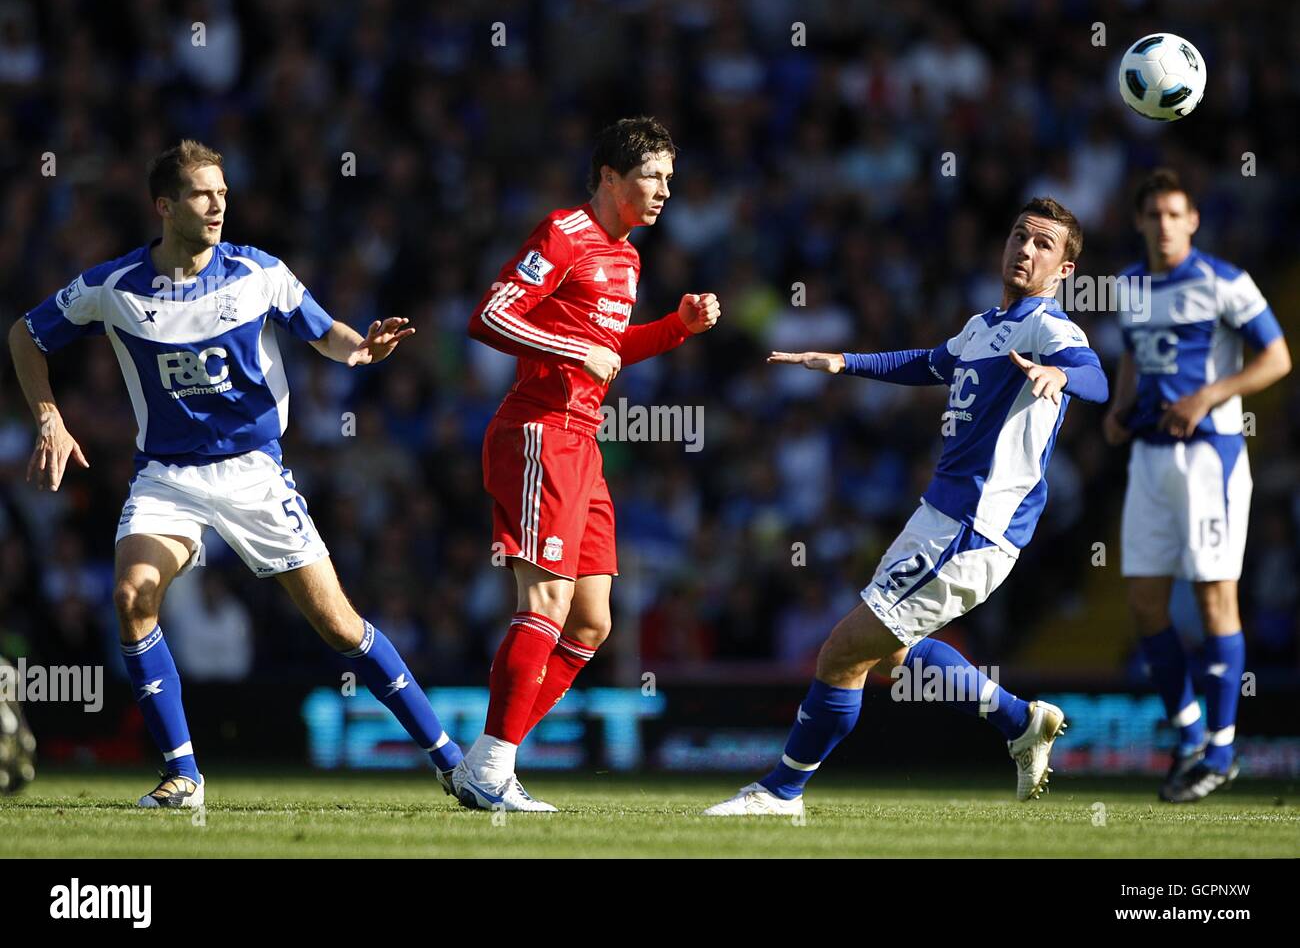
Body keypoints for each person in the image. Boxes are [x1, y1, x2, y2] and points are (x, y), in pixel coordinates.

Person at [8, 140, 463, 808]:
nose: (218, 203)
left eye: (222, 192)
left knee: (339, 627)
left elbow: (325, 332)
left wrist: (363, 346)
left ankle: (452, 763)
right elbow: (26, 333)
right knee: (133, 595)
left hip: (254, 474)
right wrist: (49, 417)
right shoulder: (117, 286)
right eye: (201, 193)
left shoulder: (258, 272)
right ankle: (182, 775)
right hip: (167, 477)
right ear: (165, 205)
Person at [705, 198, 1108, 816]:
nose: (1026, 250)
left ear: (1065, 271)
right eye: (1020, 236)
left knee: (841, 652)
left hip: (972, 528)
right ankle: (1019, 721)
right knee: (893, 654)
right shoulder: (983, 327)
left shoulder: (1050, 330)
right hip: (937, 518)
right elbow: (926, 363)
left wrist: (1060, 377)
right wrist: (841, 361)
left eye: (1044, 245)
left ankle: (780, 791)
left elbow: (1095, 374)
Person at [459, 116, 720, 811]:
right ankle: (491, 768)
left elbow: (611, 347)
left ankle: (489, 758)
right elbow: (487, 315)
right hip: (539, 431)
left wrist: (677, 329)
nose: (666, 189)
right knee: (545, 602)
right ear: (610, 176)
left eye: (670, 176)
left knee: (591, 624)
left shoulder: (629, 258)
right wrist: (574, 353)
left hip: (583, 440)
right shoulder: (564, 235)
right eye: (653, 175)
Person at [1104, 169, 1290, 802]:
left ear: (1193, 221)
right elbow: (1133, 354)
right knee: (1144, 606)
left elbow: (1277, 357)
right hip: (1149, 459)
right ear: (1138, 222)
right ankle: (1188, 737)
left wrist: (1208, 396)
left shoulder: (1224, 282)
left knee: (1215, 603)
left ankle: (1223, 749)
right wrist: (1117, 410)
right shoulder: (1128, 285)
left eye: (1173, 213)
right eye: (1152, 213)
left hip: (1209, 458)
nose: (1163, 223)